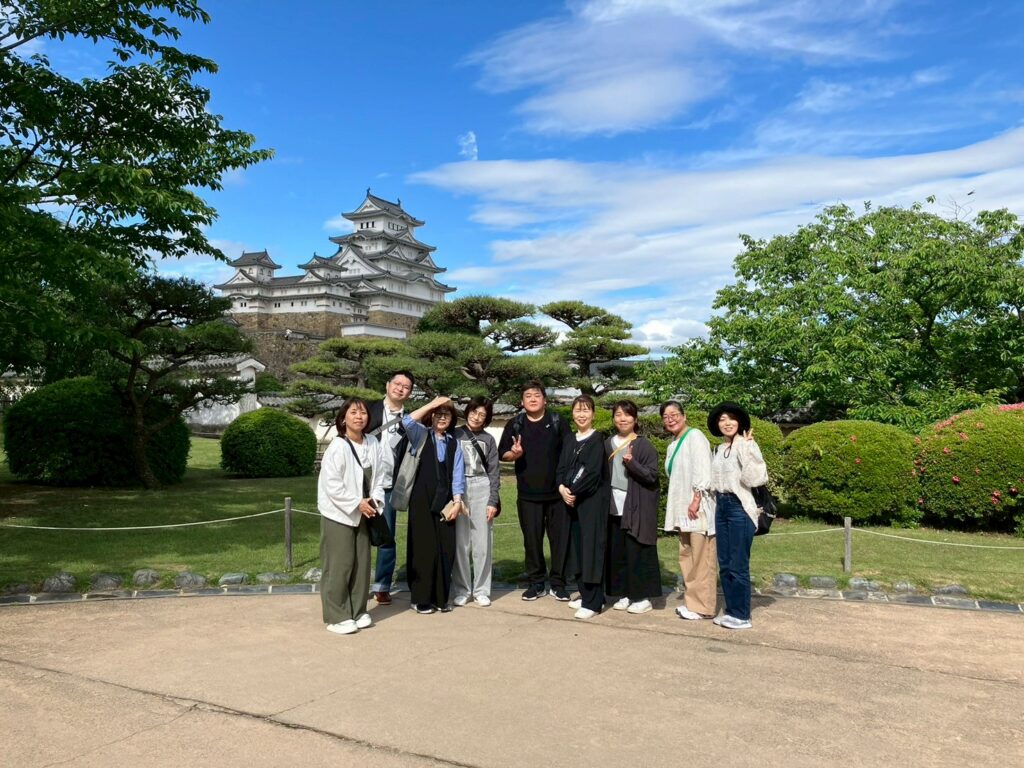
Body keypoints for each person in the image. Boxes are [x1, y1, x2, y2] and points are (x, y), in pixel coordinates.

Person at [318, 397, 389, 635]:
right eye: (354, 413)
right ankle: (336, 615)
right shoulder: (337, 446)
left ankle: (358, 611)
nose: (359, 417)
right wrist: (356, 503)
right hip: (340, 514)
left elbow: (379, 476)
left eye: (363, 413)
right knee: (339, 565)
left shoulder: (373, 442)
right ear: (343, 418)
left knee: (361, 563)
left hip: (366, 511)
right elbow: (332, 485)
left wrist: (374, 501)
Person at [498, 380, 572, 601]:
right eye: (528, 396)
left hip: (557, 494)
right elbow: (503, 454)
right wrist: (514, 454)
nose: (532, 399)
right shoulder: (515, 424)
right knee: (531, 541)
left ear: (544, 400)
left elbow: (569, 453)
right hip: (528, 495)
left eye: (537, 395)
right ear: (522, 401)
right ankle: (536, 583)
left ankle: (558, 583)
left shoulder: (557, 421)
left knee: (559, 541)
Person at [399, 395, 466, 614]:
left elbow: (458, 475)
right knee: (423, 548)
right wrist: (432, 404)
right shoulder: (420, 435)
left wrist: (457, 501)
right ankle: (420, 598)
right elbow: (407, 421)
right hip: (421, 498)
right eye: (438, 414)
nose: (442, 418)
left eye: (447, 415)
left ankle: (441, 597)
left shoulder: (453, 443)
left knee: (446, 548)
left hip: (446, 500)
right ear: (431, 416)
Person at [708, 402, 767, 630]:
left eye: (731, 418)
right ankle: (731, 611)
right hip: (721, 506)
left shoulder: (746, 444)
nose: (727, 423)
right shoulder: (720, 448)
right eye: (722, 419)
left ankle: (742, 615)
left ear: (739, 422)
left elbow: (756, 479)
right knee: (724, 562)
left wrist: (748, 449)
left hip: (739, 507)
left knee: (738, 563)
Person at [660, 401, 718, 621]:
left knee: (702, 557)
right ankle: (692, 603)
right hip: (682, 510)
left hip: (697, 508)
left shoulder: (695, 436)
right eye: (666, 416)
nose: (670, 419)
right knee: (687, 556)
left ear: (684, 416)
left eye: (674, 414)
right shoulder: (673, 445)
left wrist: (696, 499)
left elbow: (703, 470)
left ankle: (703, 606)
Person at [604, 400, 662, 614]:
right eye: (618, 414)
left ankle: (642, 597)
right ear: (613, 419)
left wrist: (632, 463)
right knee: (618, 551)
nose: (623, 419)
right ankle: (624, 594)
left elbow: (652, 476)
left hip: (636, 506)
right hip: (613, 506)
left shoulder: (643, 445)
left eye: (627, 415)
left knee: (637, 551)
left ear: (635, 419)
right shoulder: (607, 443)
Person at [366, 370, 415, 606]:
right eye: (397, 383)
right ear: (387, 385)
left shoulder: (410, 420)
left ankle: (382, 585)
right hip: (363, 483)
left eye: (406, 386)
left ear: (410, 393)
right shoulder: (368, 409)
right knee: (356, 535)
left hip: (388, 485)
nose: (400, 388)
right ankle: (354, 582)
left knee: (386, 536)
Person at [557, 395, 608, 620]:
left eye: (586, 410)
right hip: (571, 503)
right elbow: (560, 468)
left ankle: (593, 601)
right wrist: (562, 488)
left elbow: (593, 473)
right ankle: (585, 593)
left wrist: (573, 491)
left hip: (591, 503)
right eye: (578, 410)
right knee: (577, 551)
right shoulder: (570, 439)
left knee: (591, 550)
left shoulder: (597, 440)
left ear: (593, 414)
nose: (581, 414)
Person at [452, 397, 501, 607]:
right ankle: (462, 589)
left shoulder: (488, 439)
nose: (477, 417)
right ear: (467, 411)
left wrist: (493, 501)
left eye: (482, 414)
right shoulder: (455, 434)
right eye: (474, 412)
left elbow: (494, 472)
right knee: (461, 543)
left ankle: (481, 589)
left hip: (482, 486)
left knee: (483, 543)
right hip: (459, 487)